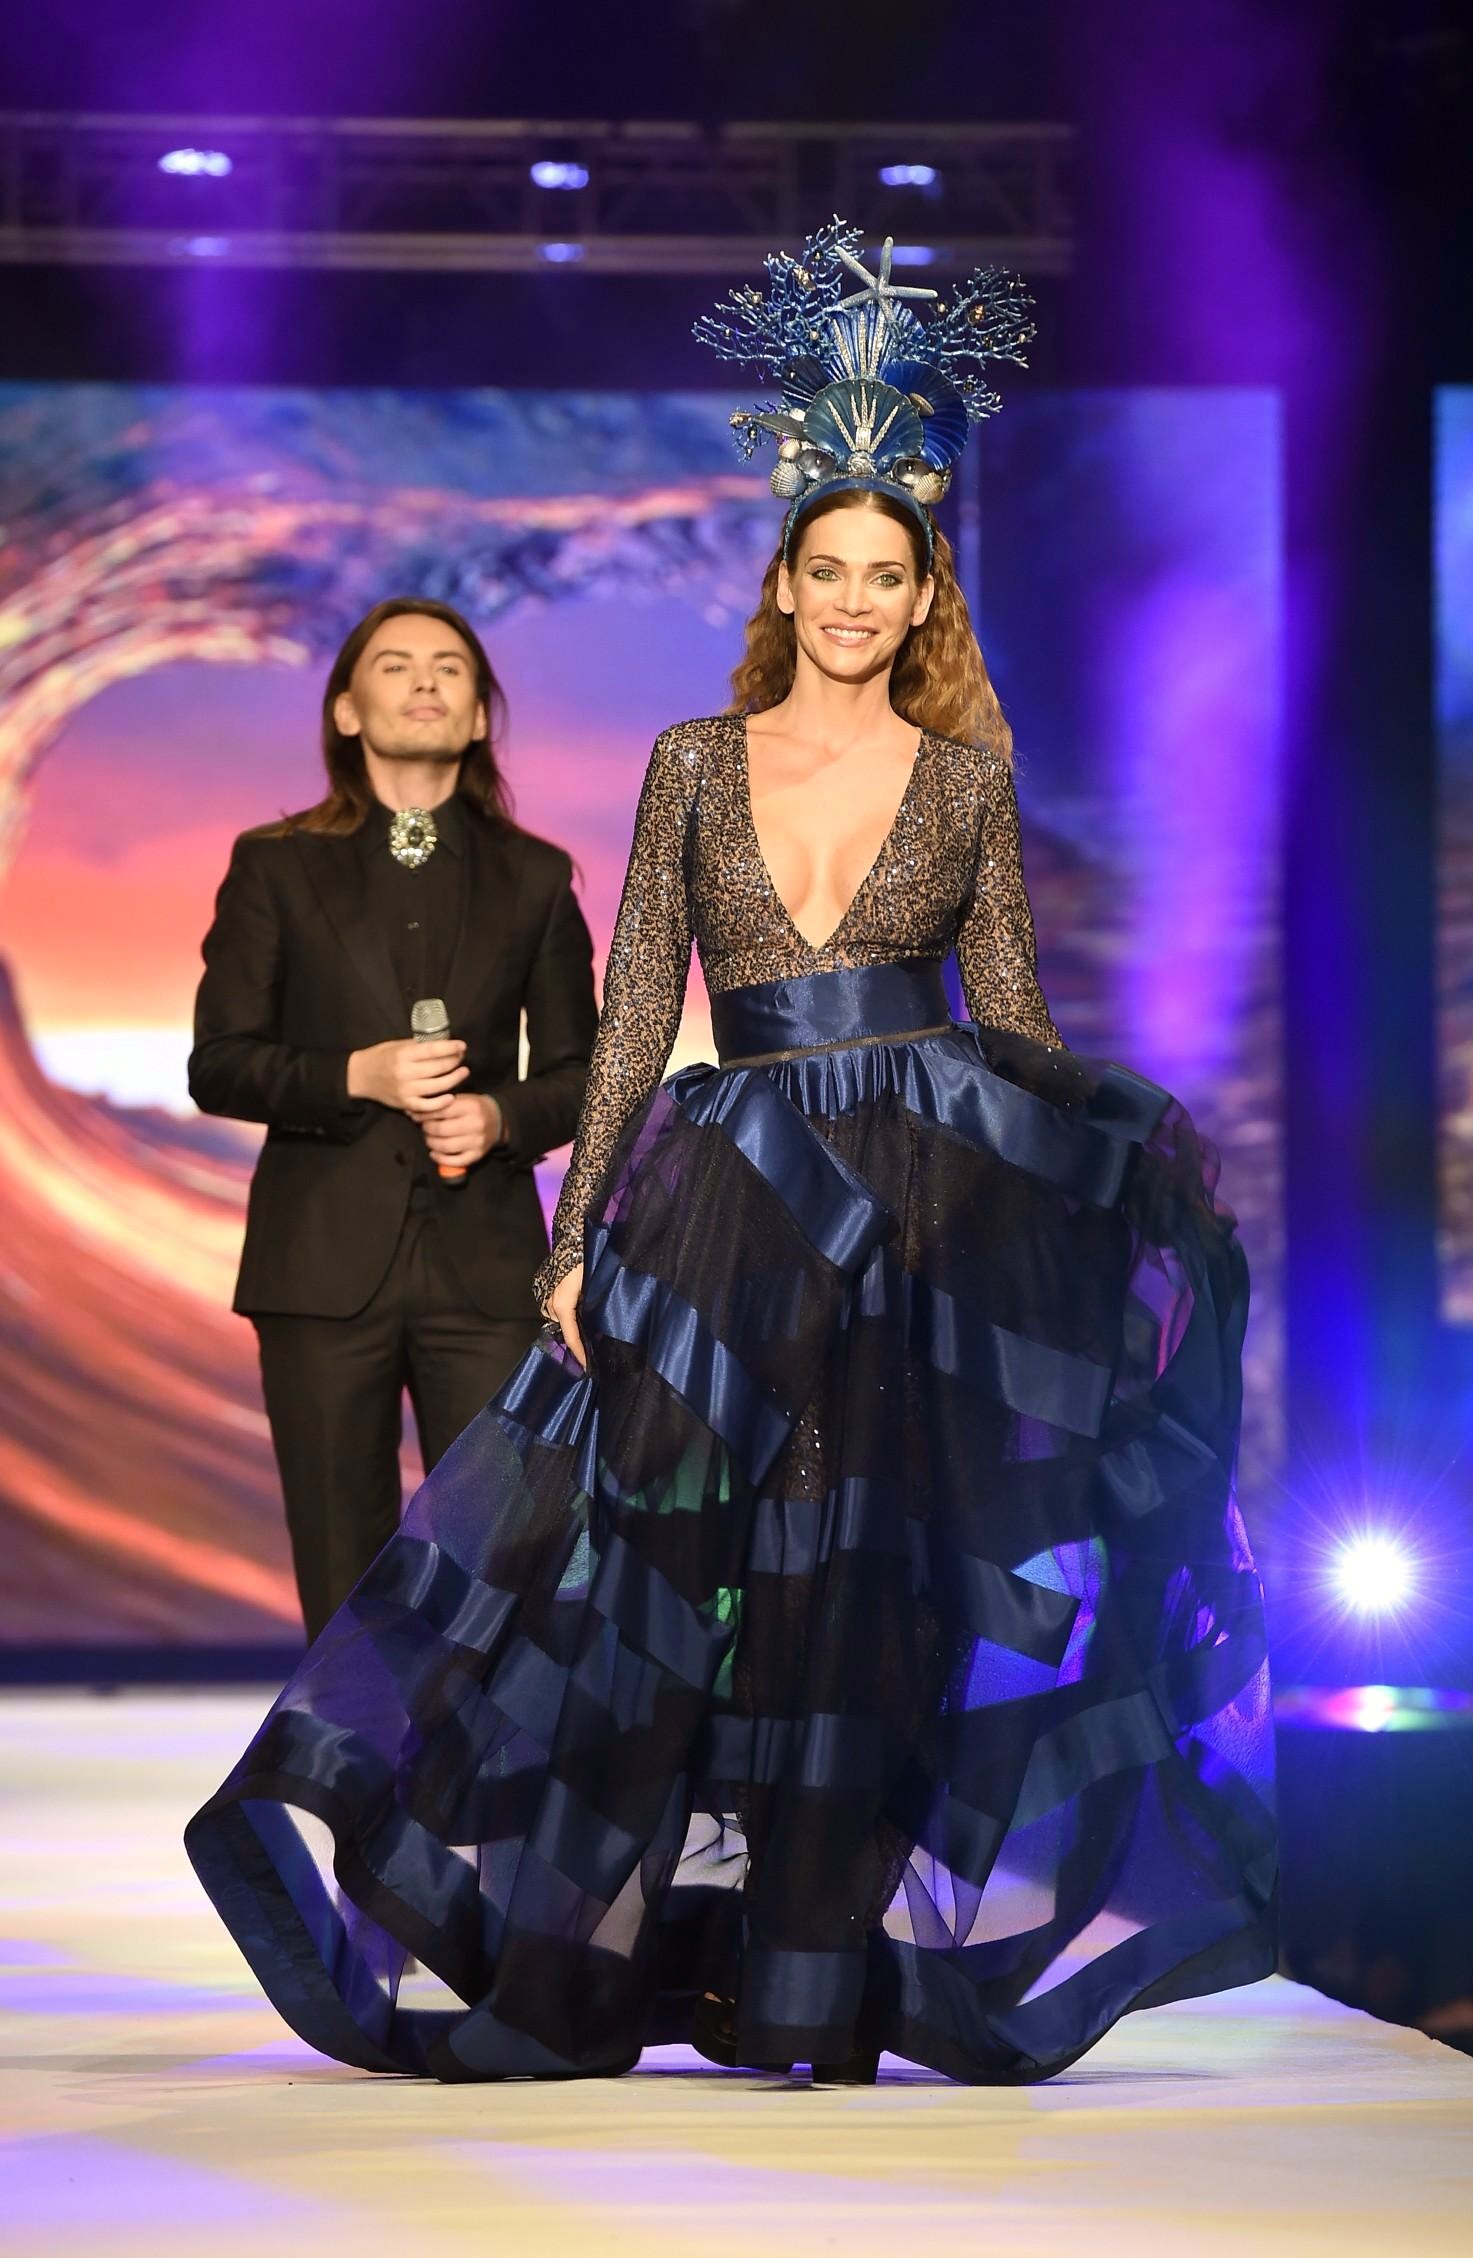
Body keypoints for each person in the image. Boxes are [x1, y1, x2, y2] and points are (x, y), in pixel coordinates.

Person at [186, 225, 1274, 2086]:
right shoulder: (691, 759)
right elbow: (631, 1013)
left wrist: (1110, 1164)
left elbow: (1008, 1011)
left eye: (885, 576)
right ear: (781, 580)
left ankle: (814, 1979)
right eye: (825, 569)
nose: (852, 599)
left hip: (924, 1205)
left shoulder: (966, 777)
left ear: (922, 602)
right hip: (739, 1193)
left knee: (878, 1574)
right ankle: (661, 1950)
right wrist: (570, 1242)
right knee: (702, 1563)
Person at [189, 597, 597, 1639]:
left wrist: (500, 1117)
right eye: (396, 664)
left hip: (486, 1268)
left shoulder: (535, 875)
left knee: (494, 1568)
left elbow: (587, 1074)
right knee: (342, 1568)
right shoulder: (275, 863)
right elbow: (219, 1064)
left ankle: (471, 1752)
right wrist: (354, 1075)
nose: (424, 680)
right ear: (345, 710)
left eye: (450, 667)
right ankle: (348, 1751)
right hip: (319, 1268)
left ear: (479, 715)